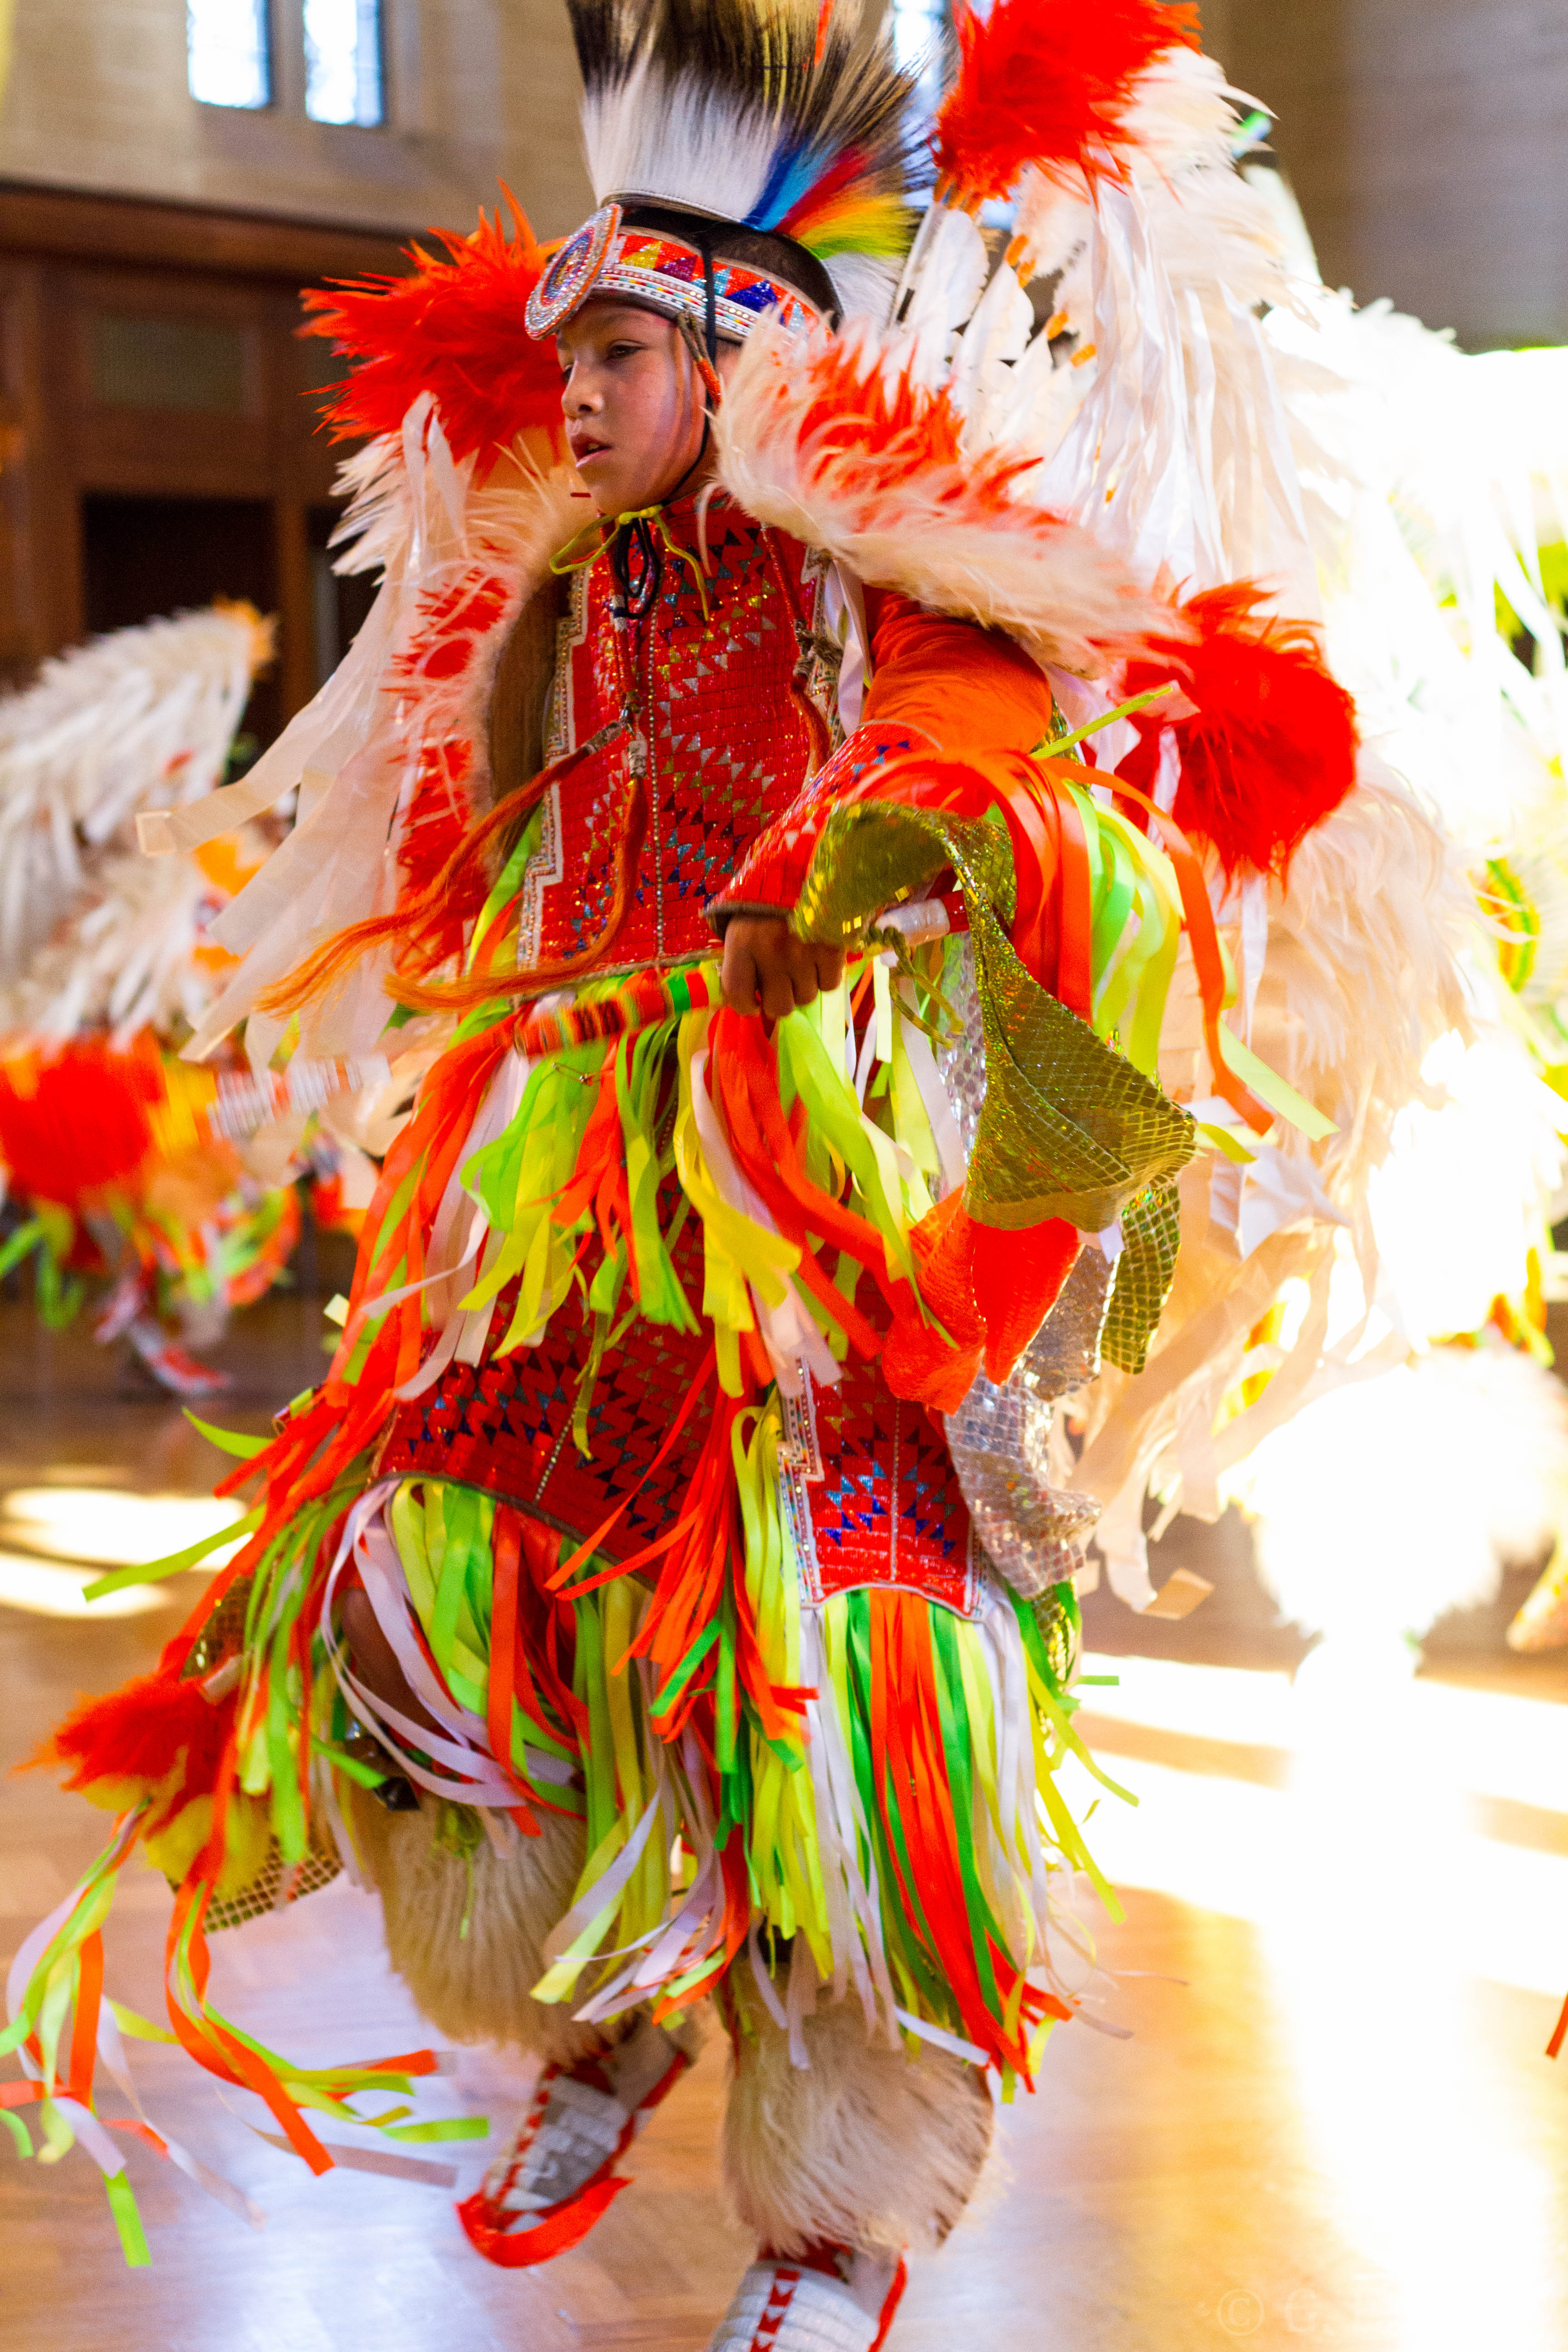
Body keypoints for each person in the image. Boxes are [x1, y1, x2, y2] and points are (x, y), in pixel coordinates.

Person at [22, 4, 1410, 2342]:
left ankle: (835, 2212)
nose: (575, 390)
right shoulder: (585, 584)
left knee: (836, 1687)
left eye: (625, 349)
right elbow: (476, 825)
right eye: (570, 350)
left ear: (739, 353)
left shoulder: (879, 564)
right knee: (414, 1585)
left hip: (831, 1206)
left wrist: (846, 850)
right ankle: (610, 2001)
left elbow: (990, 746)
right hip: (584, 1171)